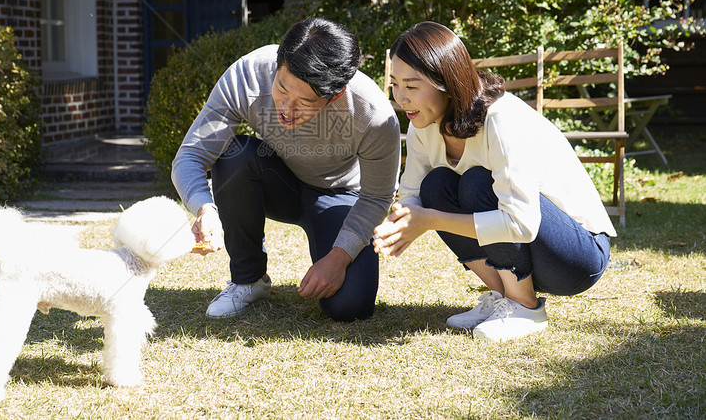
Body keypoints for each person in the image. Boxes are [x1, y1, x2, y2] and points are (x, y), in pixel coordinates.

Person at [373, 21, 615, 342]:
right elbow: (413, 194)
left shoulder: (500, 120)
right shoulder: (422, 126)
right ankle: (504, 297)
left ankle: (525, 307)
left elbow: (522, 225)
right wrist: (400, 221)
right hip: (532, 251)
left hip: (576, 256)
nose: (400, 97)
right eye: (394, 84)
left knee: (476, 183)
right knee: (435, 186)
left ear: (447, 82)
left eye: (412, 86)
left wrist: (429, 220)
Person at [172, 17, 401, 322]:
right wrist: (204, 207)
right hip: (280, 183)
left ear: (335, 94)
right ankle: (248, 280)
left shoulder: (372, 113)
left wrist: (338, 258)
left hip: (340, 195)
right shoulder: (248, 74)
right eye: (281, 89)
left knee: (350, 307)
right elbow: (189, 157)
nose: (287, 108)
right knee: (234, 155)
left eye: (304, 101)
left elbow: (377, 197)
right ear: (278, 64)